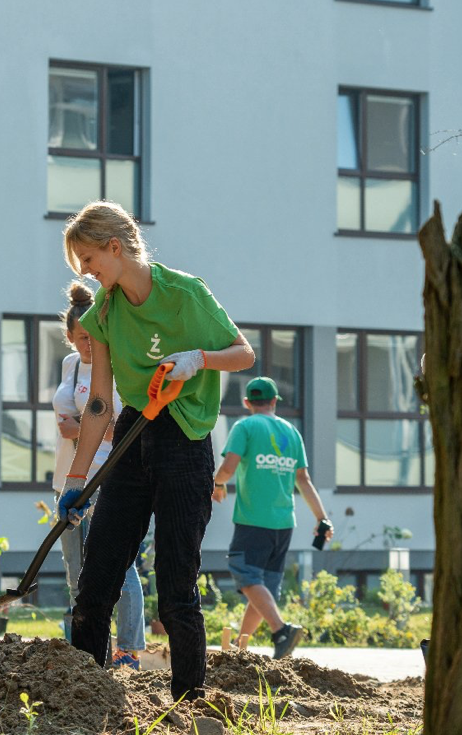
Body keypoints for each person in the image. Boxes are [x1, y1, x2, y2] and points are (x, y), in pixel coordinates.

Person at [56, 201, 255, 704]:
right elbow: (100, 402)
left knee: (176, 585)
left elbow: (244, 353)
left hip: (184, 439)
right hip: (131, 433)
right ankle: (85, 697)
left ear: (115, 247)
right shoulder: (103, 312)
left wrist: (198, 360)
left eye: (88, 260)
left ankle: (189, 703)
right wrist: (76, 481)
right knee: (97, 579)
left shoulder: (185, 294)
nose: (87, 273)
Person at [51, 281, 146, 669]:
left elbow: (118, 423)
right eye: (79, 339)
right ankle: (91, 649)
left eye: (92, 337)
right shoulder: (71, 365)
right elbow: (65, 422)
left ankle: (127, 649)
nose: (87, 346)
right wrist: (83, 424)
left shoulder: (118, 361)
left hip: (110, 475)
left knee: (117, 564)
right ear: (70, 337)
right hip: (69, 476)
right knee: (77, 569)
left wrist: (89, 426)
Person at [211, 376, 331, 660]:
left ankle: (280, 631)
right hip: (283, 523)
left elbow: (229, 466)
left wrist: (216, 484)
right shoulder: (292, 431)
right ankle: (241, 648)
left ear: (246, 402)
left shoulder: (245, 426)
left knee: (245, 572)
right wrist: (322, 518)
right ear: (275, 401)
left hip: (254, 519)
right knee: (262, 585)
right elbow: (304, 479)